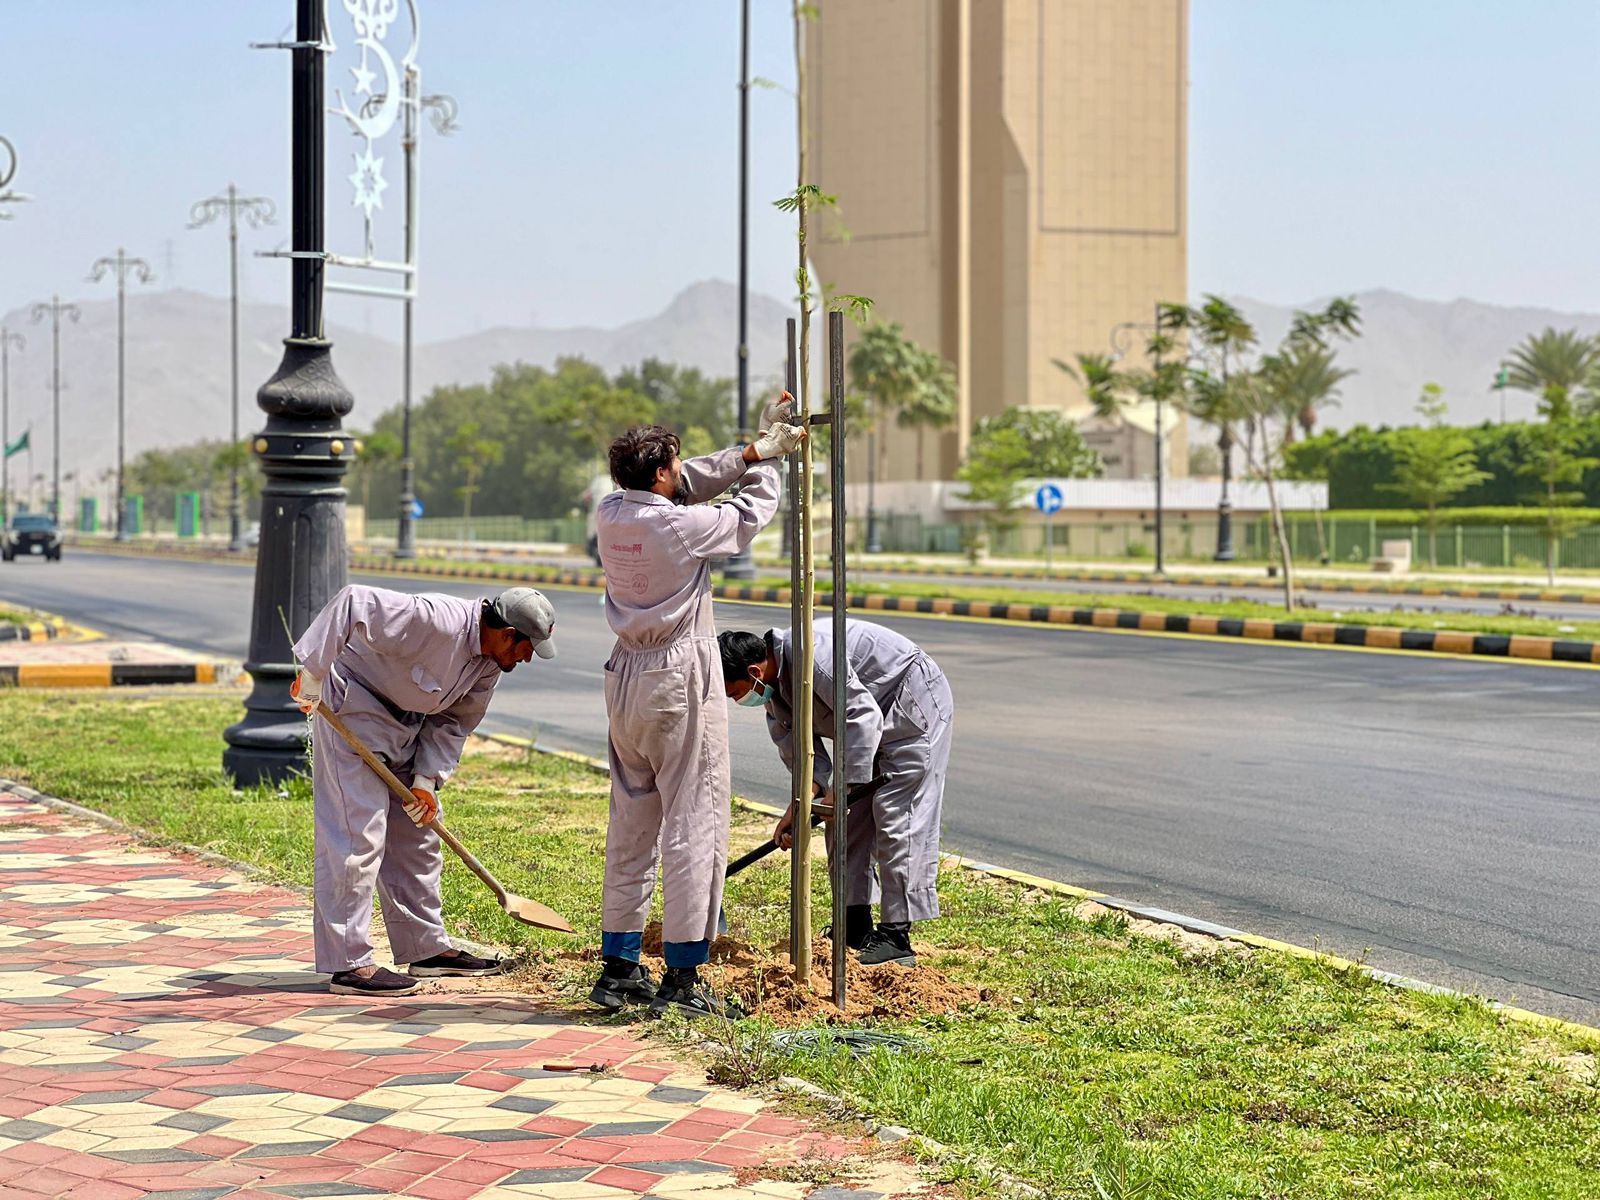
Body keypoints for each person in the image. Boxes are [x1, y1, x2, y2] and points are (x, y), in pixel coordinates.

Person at [591, 397, 804, 1017]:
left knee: (631, 825)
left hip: (625, 677)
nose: (682, 474)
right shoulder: (679, 528)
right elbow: (749, 514)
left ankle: (620, 967)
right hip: (679, 678)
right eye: (675, 467)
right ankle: (684, 978)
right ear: (661, 475)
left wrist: (750, 449)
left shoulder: (612, 513)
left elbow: (691, 479)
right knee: (696, 823)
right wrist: (767, 462)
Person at [291, 584, 557, 996]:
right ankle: (349, 963)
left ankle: (425, 947)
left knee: (419, 836)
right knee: (356, 838)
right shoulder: (434, 618)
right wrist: (313, 673)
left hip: (410, 730)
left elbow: (454, 723)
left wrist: (425, 782)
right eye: (526, 648)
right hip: (355, 714)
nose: (525, 658)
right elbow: (353, 602)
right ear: (507, 634)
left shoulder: (489, 665)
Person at [718, 619, 953, 966]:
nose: (739, 701)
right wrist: (800, 808)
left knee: (896, 814)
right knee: (843, 820)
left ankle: (895, 936)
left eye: (736, 693)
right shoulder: (774, 695)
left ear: (753, 671)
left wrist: (840, 790)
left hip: (909, 702)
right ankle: (853, 924)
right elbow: (803, 757)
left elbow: (860, 715)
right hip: (864, 728)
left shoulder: (812, 653)